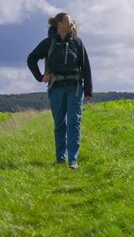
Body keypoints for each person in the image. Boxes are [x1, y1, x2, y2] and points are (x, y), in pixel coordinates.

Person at [27, 12, 92, 169]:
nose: (72, 24)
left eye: (71, 22)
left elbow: (86, 67)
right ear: (59, 24)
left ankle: (73, 160)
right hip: (56, 88)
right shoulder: (48, 43)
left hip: (75, 87)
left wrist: (88, 91)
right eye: (68, 21)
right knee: (60, 124)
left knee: (74, 122)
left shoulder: (77, 43)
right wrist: (40, 77)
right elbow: (31, 59)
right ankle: (60, 159)